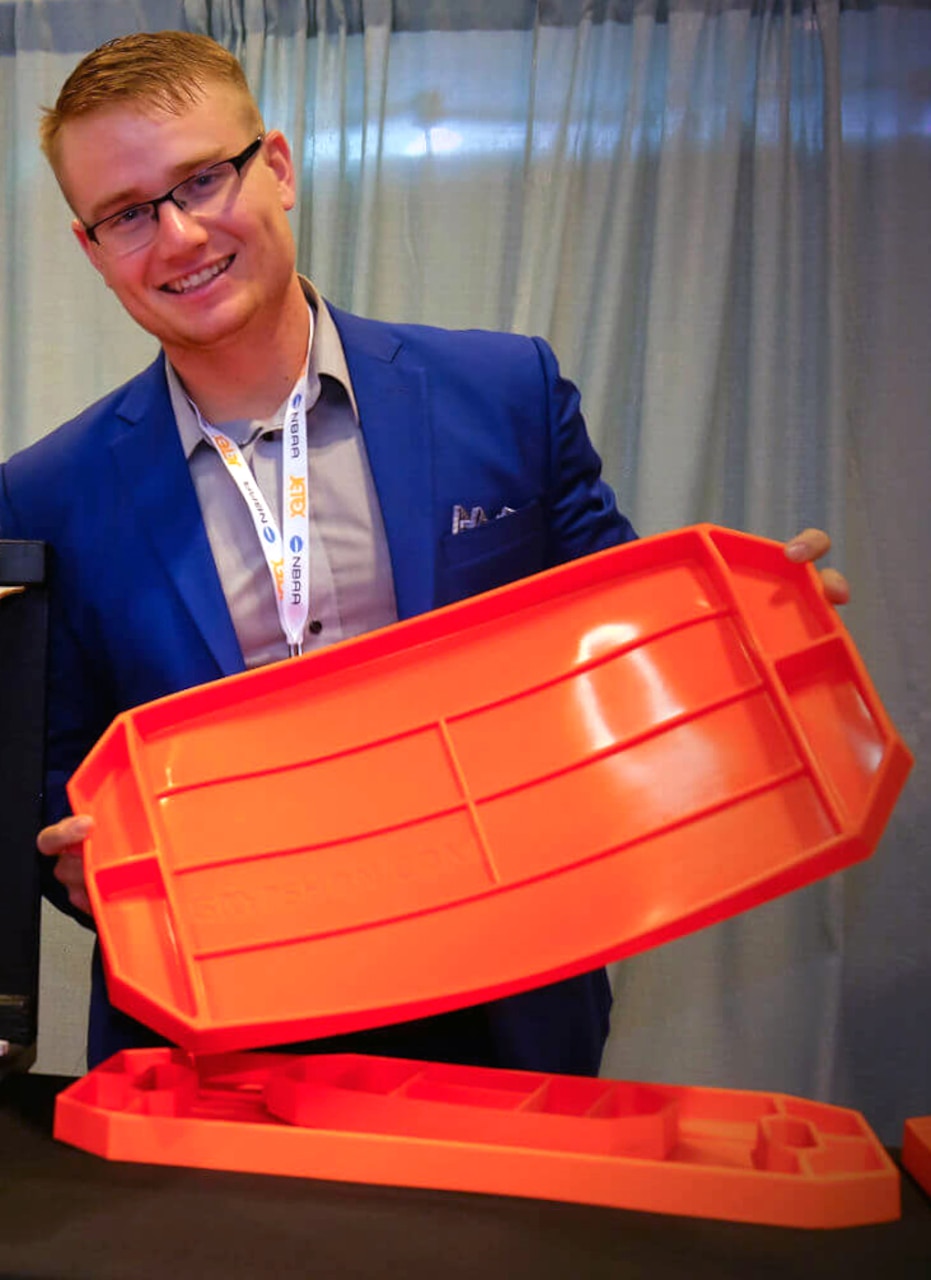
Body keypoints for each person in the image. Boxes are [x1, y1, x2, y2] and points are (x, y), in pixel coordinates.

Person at [0, 32, 848, 1073]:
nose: (176, 235)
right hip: (218, 1038)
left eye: (200, 180)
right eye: (128, 213)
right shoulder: (45, 493)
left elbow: (617, 665)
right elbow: (53, 781)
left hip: (502, 1012)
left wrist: (745, 641)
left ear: (276, 166)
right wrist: (74, 863)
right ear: (90, 248)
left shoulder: (505, 395)